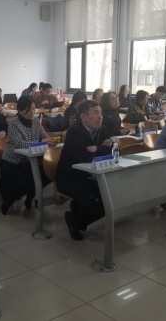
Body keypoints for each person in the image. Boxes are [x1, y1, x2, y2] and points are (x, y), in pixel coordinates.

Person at [56, 100, 113, 240]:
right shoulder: (75, 131)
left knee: (110, 199)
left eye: (100, 113)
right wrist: (101, 148)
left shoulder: (102, 129)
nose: (100, 117)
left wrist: (95, 148)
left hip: (90, 176)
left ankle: (75, 219)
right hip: (69, 178)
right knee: (90, 202)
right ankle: (76, 216)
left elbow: (110, 149)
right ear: (83, 117)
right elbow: (82, 157)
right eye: (96, 113)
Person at [0, 96, 56, 215]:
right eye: (28, 109)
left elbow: (44, 136)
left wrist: (50, 141)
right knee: (23, 181)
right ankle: (9, 200)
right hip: (13, 162)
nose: (32, 112)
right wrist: (41, 142)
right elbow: (20, 144)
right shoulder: (13, 123)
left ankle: (31, 195)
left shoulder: (36, 121)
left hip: (31, 160)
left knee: (49, 173)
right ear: (20, 110)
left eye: (33, 108)